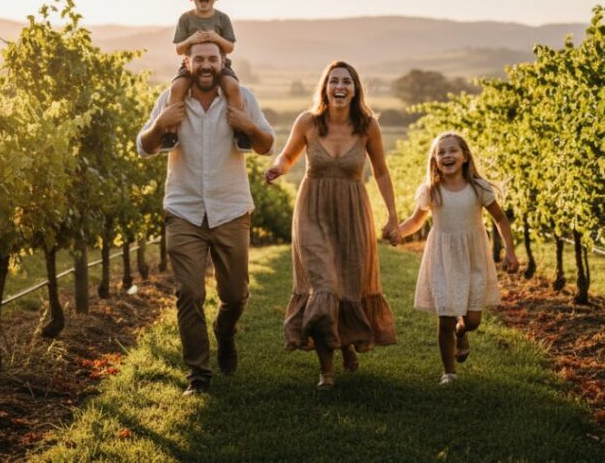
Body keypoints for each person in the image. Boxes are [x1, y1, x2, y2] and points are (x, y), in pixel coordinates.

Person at [137, 41, 275, 396]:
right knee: (189, 293)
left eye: (212, 59)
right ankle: (198, 376)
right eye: (199, 59)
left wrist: (247, 124)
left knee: (235, 294)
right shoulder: (171, 99)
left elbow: (266, 145)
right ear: (188, 62)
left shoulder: (242, 97)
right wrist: (160, 125)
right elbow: (144, 147)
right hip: (184, 210)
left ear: (223, 61)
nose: (206, 65)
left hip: (230, 209)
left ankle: (225, 333)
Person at [265, 61, 399, 390]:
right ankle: (326, 370)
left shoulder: (367, 126)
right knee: (322, 287)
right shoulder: (308, 122)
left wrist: (393, 216)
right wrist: (278, 168)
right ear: (325, 88)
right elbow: (287, 156)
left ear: (355, 89)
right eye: (334, 81)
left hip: (353, 213)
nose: (340, 86)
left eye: (347, 81)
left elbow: (381, 172)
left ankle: (347, 343)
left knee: (348, 286)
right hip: (312, 209)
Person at [397, 132, 519, 385]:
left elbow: (500, 218)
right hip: (443, 257)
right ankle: (449, 372)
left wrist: (510, 250)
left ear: (465, 157)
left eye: (452, 150)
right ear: (434, 160)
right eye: (441, 152)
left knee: (472, 320)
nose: (447, 155)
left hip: (473, 256)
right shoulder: (432, 191)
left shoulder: (479, 188)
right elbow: (415, 221)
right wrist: (398, 232)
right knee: (446, 316)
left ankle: (462, 332)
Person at [160, 0, 251, 152]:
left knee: (233, 87)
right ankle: (171, 133)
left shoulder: (222, 19)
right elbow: (179, 49)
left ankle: (240, 132)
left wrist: (216, 38)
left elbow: (230, 47)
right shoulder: (185, 19)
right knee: (176, 89)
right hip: (191, 64)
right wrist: (191, 40)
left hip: (221, 64)